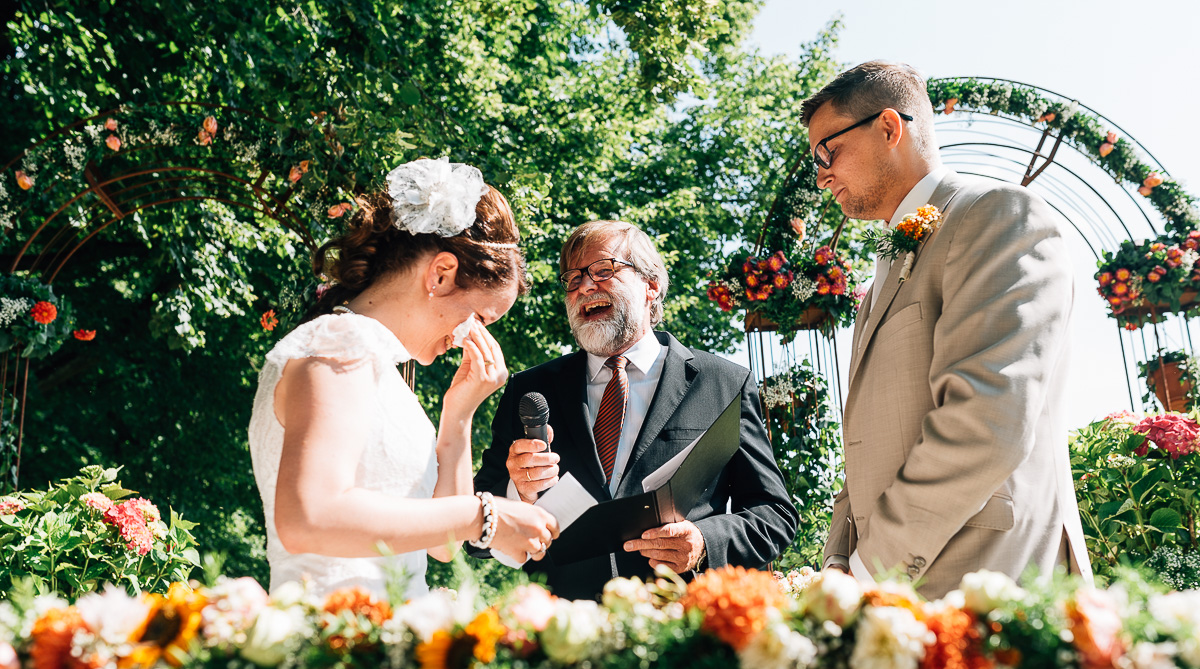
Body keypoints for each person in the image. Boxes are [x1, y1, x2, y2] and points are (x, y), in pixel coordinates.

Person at [800, 61, 1093, 598]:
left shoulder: (998, 214)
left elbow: (988, 417)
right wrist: (838, 559)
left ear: (890, 128)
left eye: (828, 152)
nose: (821, 175)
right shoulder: (890, 260)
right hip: (893, 589)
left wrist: (873, 569)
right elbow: (869, 445)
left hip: (986, 578)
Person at [249, 157, 559, 599]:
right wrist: (485, 513)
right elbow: (309, 518)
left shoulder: (380, 370)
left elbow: (441, 545)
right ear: (440, 274)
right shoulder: (341, 343)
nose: (468, 337)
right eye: (479, 316)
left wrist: (458, 417)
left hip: (385, 634)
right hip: (329, 636)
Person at [474, 220, 798, 600]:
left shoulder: (723, 384)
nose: (584, 287)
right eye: (573, 280)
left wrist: (704, 542)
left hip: (682, 629)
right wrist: (518, 493)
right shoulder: (530, 392)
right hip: (565, 633)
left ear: (651, 285)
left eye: (603, 270)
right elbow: (475, 533)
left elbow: (774, 514)